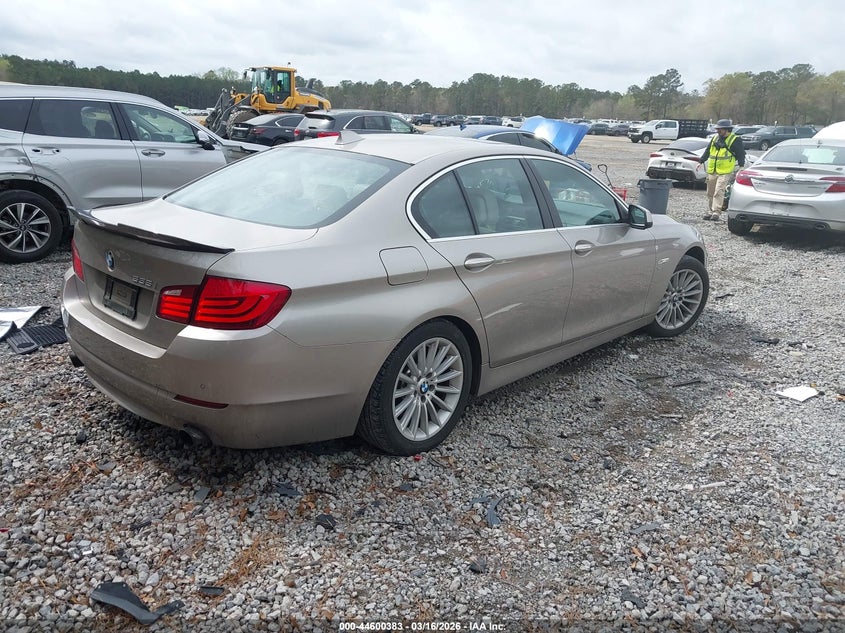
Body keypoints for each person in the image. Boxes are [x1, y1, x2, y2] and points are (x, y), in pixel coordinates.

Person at [699, 119, 746, 221]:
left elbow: (741, 154)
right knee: (710, 192)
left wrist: (741, 167)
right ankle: (711, 210)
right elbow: (708, 151)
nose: (718, 131)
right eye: (717, 129)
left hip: (725, 171)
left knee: (718, 191)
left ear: (726, 129)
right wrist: (701, 161)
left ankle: (716, 212)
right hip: (712, 170)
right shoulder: (715, 138)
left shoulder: (735, 140)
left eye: (720, 129)